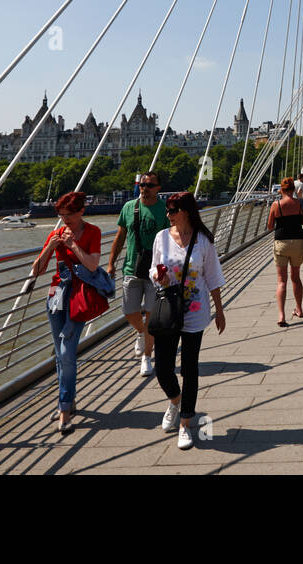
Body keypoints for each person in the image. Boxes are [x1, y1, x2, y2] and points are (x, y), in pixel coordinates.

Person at [149, 191, 226, 451]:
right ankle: (175, 400)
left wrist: (220, 310)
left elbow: (213, 277)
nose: (168, 214)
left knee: (189, 368)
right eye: (167, 211)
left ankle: (185, 423)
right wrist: (158, 276)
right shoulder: (162, 238)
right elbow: (153, 268)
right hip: (168, 309)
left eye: (172, 210)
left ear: (185, 211)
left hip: (195, 311)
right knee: (162, 367)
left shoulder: (203, 240)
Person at [31, 190, 102, 435]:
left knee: (66, 351)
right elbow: (37, 270)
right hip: (56, 296)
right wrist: (51, 245)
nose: (65, 221)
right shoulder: (56, 233)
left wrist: (73, 245)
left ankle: (64, 409)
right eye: (61, 216)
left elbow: (93, 265)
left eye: (69, 215)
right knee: (60, 355)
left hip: (79, 297)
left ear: (81, 211)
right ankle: (69, 400)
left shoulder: (93, 232)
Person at [106, 170, 168, 376]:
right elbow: (120, 236)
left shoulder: (164, 210)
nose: (145, 188)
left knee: (151, 316)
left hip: (155, 271)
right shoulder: (129, 207)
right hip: (131, 268)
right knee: (129, 312)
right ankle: (141, 333)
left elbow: (172, 239)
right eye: (142, 185)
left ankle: (147, 357)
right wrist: (111, 262)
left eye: (150, 185)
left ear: (158, 188)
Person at [266, 178, 303, 324]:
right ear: (294, 190)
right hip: (297, 242)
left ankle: (281, 315)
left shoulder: (276, 205)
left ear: (281, 190)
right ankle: (299, 309)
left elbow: (270, 226)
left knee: (281, 281)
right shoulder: (300, 204)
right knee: (296, 278)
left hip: (281, 243)